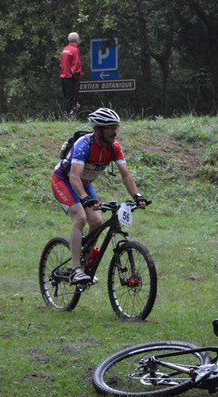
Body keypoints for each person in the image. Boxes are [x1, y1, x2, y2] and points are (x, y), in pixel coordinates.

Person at [51, 108, 148, 284]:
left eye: (116, 127)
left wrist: (137, 196)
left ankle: (85, 257)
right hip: (64, 182)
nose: (115, 131)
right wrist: (85, 198)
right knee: (80, 218)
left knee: (97, 221)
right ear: (98, 130)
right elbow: (73, 177)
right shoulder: (84, 144)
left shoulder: (114, 147)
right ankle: (76, 269)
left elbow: (126, 175)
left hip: (85, 185)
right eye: (110, 127)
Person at [59, 32, 82, 118]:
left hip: (63, 76)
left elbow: (61, 64)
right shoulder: (75, 50)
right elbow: (76, 65)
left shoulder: (65, 49)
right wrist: (77, 77)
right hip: (71, 78)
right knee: (72, 99)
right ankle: (69, 117)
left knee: (67, 98)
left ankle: (66, 115)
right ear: (77, 40)